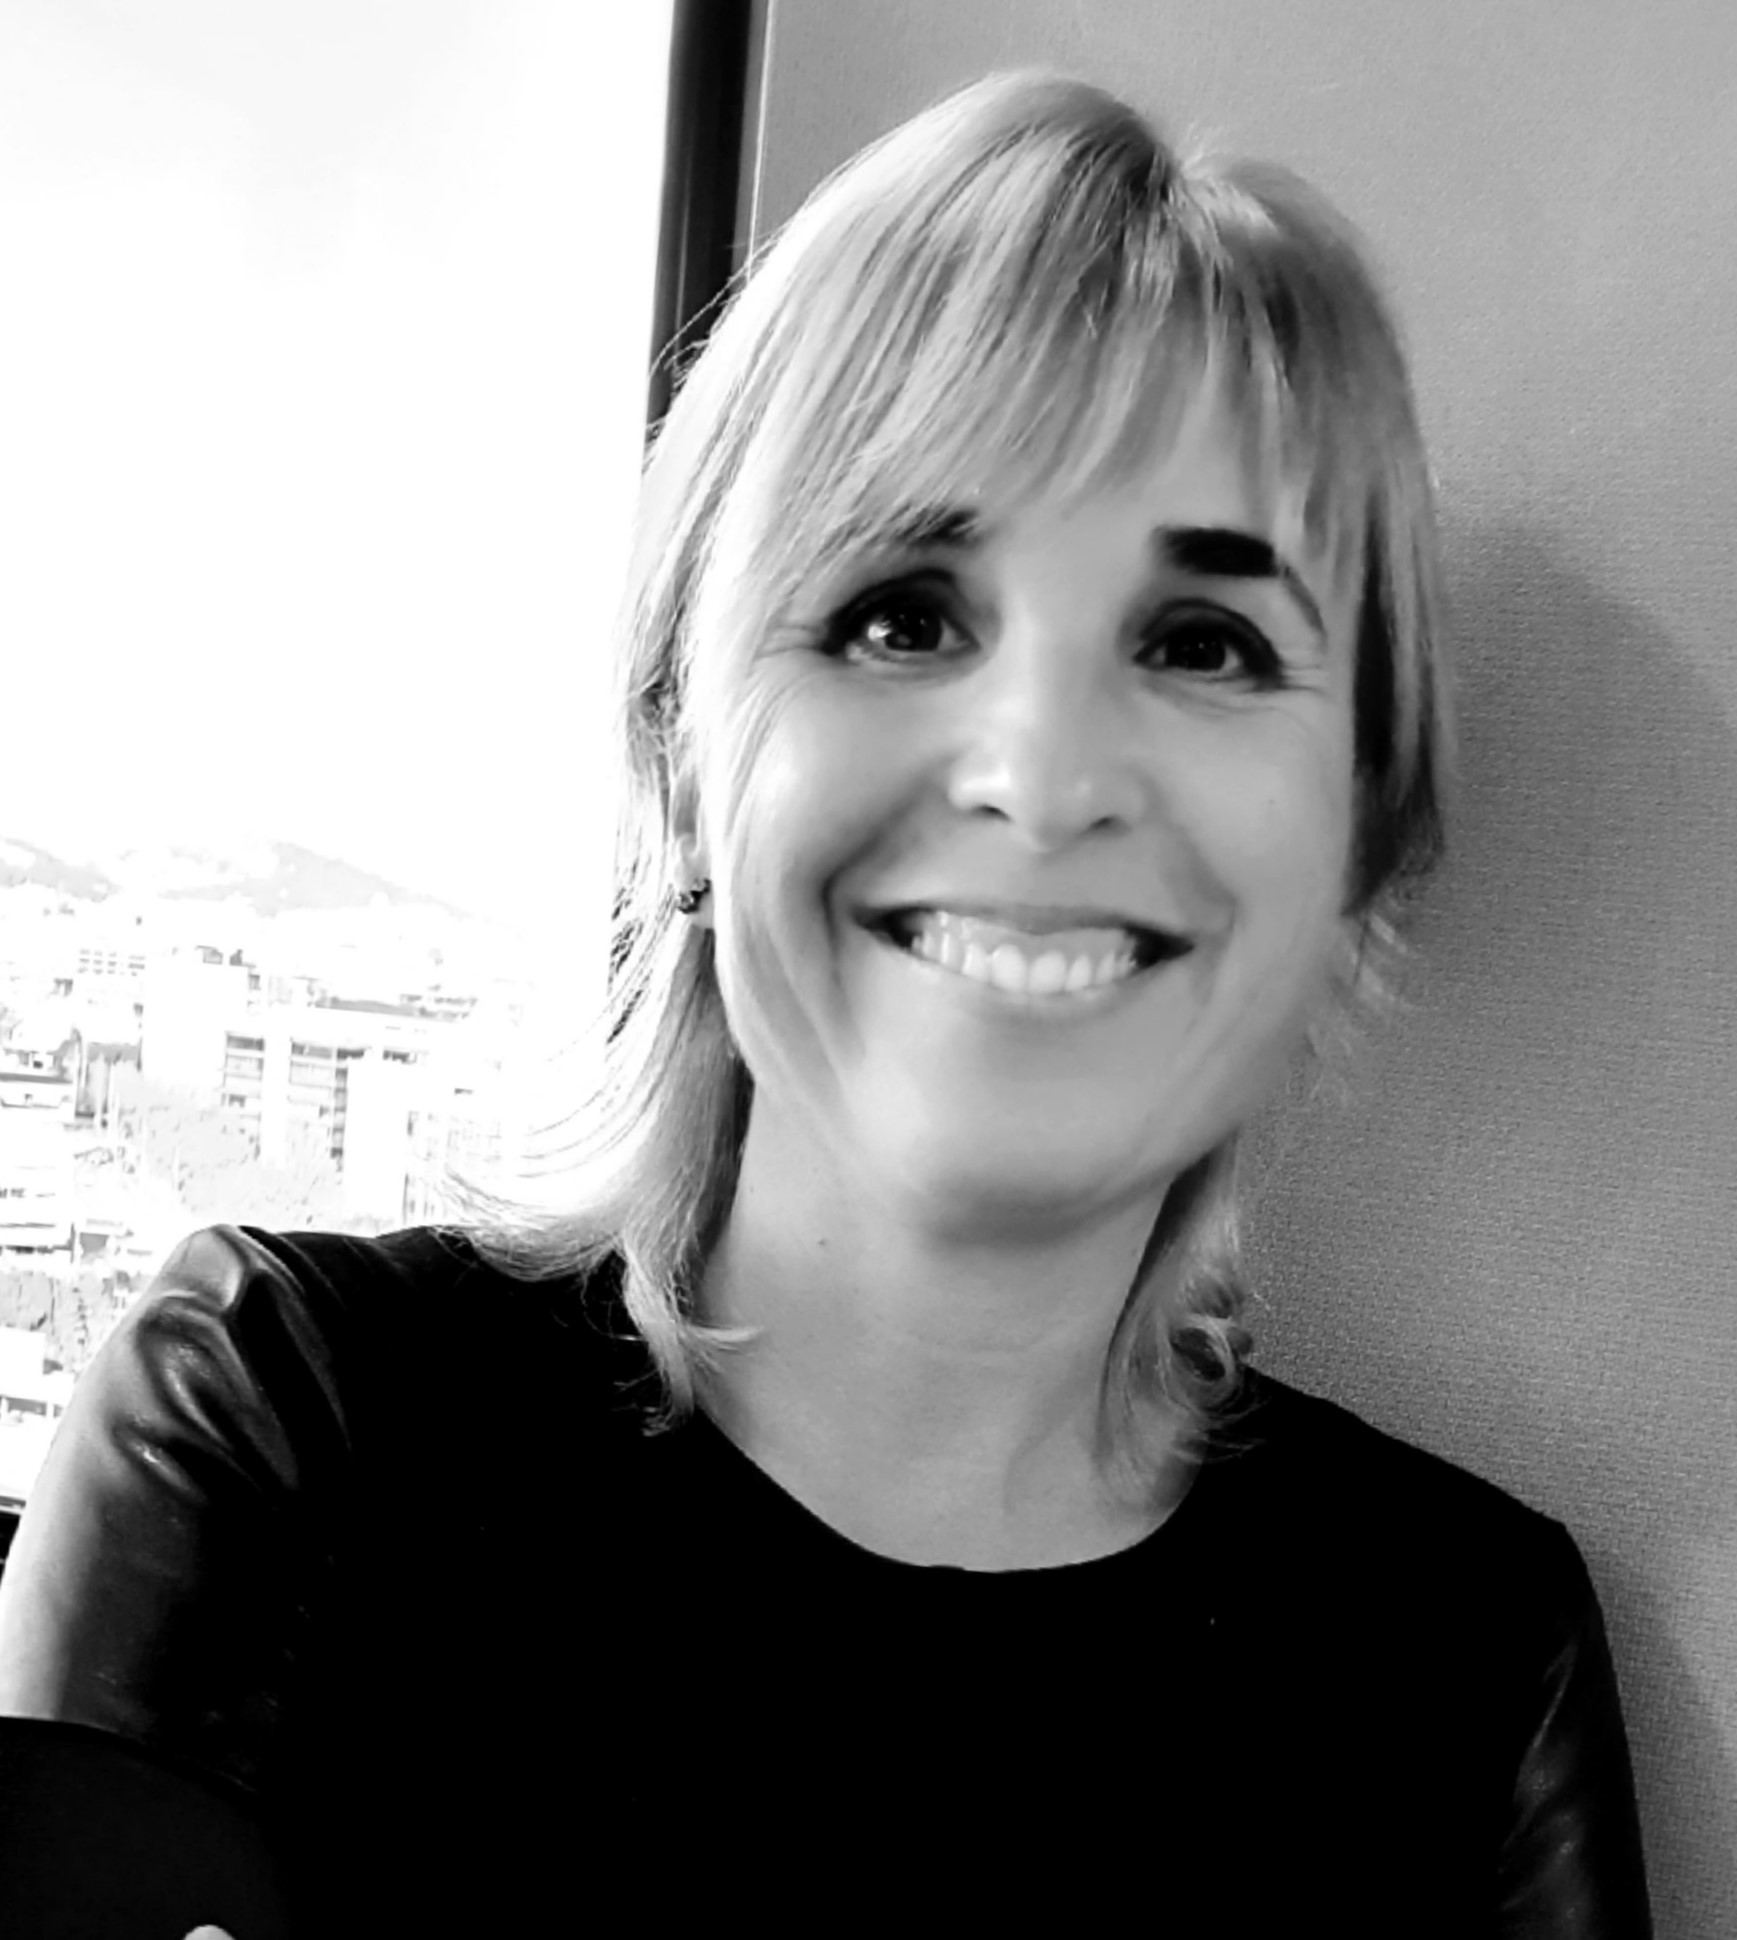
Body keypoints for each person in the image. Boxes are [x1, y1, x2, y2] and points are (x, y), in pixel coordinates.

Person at [0, 70, 1653, 1936]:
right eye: (903, 615)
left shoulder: (1470, 1660)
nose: (1044, 774)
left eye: (1203, 644)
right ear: (681, 755)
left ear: (1356, 853)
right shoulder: (293, 1432)